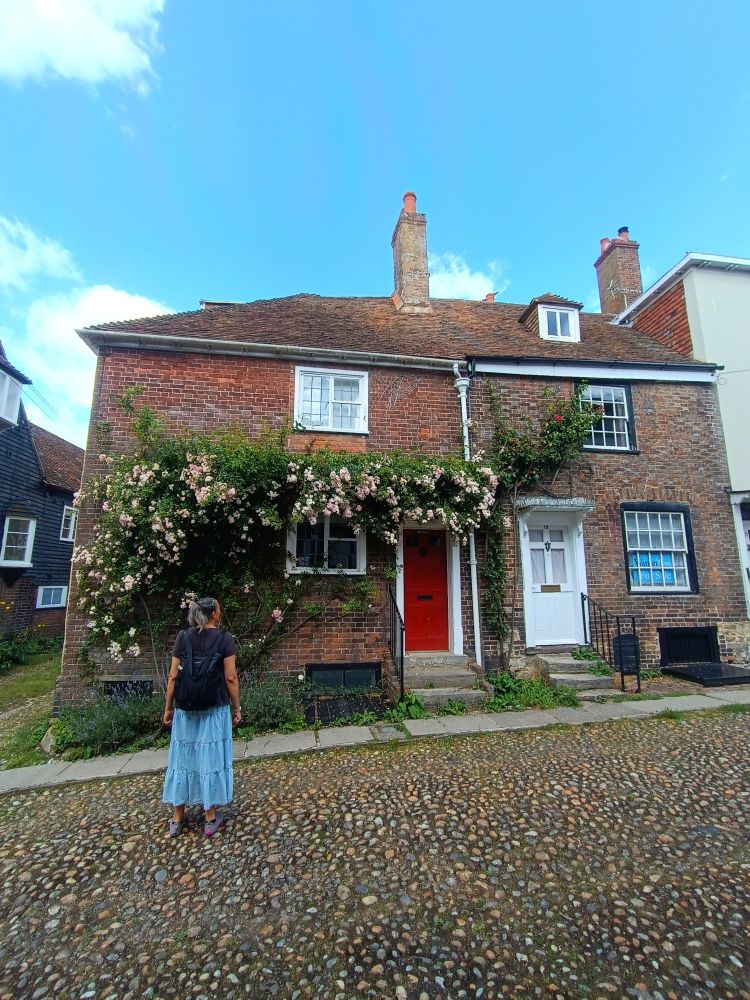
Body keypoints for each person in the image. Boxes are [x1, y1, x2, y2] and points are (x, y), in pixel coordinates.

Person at [162, 596, 242, 837]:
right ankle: (209, 817)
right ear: (214, 614)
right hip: (214, 708)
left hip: (185, 708)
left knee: (182, 758)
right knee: (210, 757)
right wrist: (237, 708)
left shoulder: (183, 637)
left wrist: (168, 708)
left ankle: (177, 817)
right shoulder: (224, 639)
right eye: (219, 608)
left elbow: (173, 677)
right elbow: (231, 678)